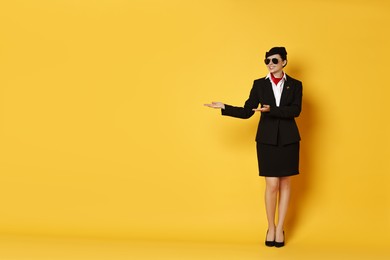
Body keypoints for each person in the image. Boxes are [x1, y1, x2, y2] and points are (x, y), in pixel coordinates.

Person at [204, 47, 302, 248]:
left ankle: (281, 227)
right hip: (266, 139)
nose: (270, 64)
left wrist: (271, 109)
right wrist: (225, 107)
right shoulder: (259, 85)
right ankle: (271, 227)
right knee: (272, 184)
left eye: (274, 60)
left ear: (284, 62)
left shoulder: (295, 84)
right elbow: (248, 111)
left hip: (289, 139)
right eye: (267, 61)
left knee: (285, 184)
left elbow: (296, 110)